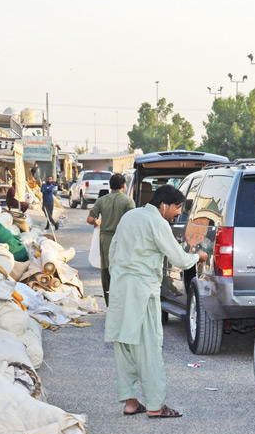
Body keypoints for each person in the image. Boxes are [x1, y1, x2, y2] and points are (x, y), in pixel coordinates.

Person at [105, 185, 207, 418]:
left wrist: (120, 277)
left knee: (124, 346)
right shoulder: (158, 222)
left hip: (121, 289)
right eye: (177, 208)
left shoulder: (129, 217)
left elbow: (113, 251)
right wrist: (197, 257)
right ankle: (154, 406)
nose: (178, 213)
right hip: (142, 293)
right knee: (149, 349)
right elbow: (178, 258)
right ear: (163, 206)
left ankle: (131, 402)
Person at [86, 173, 135, 305]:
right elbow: (133, 222)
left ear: (110, 186)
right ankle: (122, 302)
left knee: (106, 270)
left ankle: (110, 303)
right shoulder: (128, 201)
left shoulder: (101, 200)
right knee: (122, 269)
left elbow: (90, 220)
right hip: (122, 239)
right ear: (123, 186)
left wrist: (97, 222)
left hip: (105, 239)